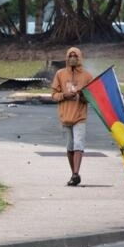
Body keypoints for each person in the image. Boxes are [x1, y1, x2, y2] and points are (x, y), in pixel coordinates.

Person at [51, 47, 94, 186]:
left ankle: (76, 173)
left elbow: (92, 98)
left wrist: (83, 96)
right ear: (66, 57)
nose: (73, 58)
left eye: (75, 55)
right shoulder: (60, 74)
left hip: (80, 116)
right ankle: (74, 174)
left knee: (78, 145)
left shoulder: (87, 76)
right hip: (65, 116)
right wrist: (64, 95)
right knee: (69, 147)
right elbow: (54, 95)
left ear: (80, 57)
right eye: (70, 55)